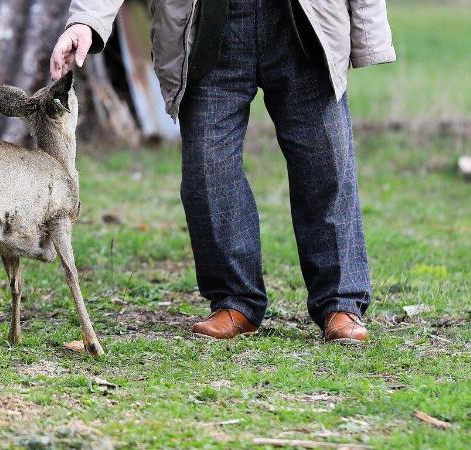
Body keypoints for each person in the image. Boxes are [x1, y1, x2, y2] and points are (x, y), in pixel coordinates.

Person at [50, 0, 395, 343]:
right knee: (207, 173)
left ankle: (340, 303)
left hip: (302, 24)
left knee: (326, 167)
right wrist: (85, 22)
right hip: (207, 29)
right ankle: (235, 301)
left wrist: (369, 34)